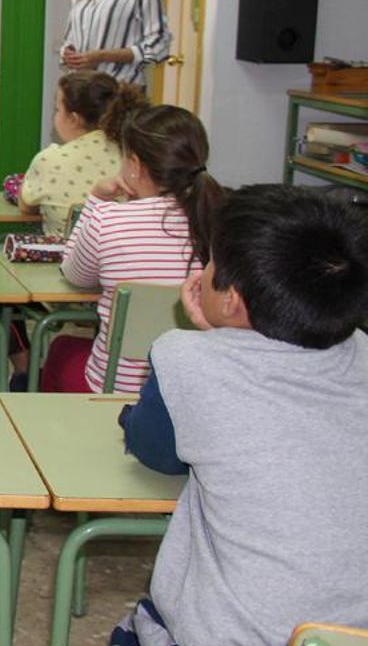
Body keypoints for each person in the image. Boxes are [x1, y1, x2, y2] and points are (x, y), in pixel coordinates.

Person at [114, 185, 368, 646]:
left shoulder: (188, 359)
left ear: (230, 299)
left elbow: (155, 451)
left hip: (237, 637)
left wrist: (212, 340)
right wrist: (228, 336)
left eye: (208, 263)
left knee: (139, 626)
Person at [46, 105, 224, 394]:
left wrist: (95, 200)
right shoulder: (226, 218)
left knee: (62, 349)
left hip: (115, 386)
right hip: (194, 388)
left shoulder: (109, 218)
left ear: (135, 165)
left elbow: (74, 274)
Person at [18, 72, 147, 236]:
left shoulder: (49, 160)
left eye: (57, 109)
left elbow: (26, 206)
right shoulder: (135, 158)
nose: (55, 116)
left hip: (62, 258)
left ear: (74, 118)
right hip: (121, 257)